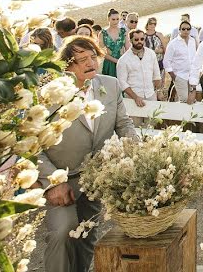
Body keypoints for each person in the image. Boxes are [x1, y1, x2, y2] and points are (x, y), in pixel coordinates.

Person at [34, 36, 137, 272]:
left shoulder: (109, 85)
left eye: (93, 57)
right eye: (81, 60)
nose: (90, 63)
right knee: (63, 231)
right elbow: (33, 143)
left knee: (88, 234)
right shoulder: (50, 93)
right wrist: (52, 182)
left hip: (95, 178)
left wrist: (138, 155)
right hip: (61, 179)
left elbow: (124, 125)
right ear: (67, 67)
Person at [116, 29, 162, 107]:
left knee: (153, 119)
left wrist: (158, 91)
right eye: (136, 39)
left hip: (151, 95)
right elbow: (122, 82)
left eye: (142, 39)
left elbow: (157, 75)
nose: (139, 41)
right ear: (130, 40)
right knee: (135, 120)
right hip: (133, 99)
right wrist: (135, 97)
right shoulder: (123, 60)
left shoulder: (151, 54)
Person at [163, 20, 198, 103]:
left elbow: (194, 57)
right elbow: (166, 61)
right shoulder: (173, 43)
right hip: (180, 75)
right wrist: (173, 76)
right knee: (184, 100)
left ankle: (189, 116)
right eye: (183, 29)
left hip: (192, 75)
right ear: (179, 30)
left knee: (192, 100)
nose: (186, 31)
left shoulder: (192, 41)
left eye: (188, 29)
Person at [99, 9, 126, 77]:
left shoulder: (123, 31)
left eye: (117, 19)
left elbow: (128, 47)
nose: (116, 21)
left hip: (122, 62)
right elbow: (102, 52)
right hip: (109, 64)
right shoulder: (102, 33)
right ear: (108, 19)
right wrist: (116, 61)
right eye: (113, 19)